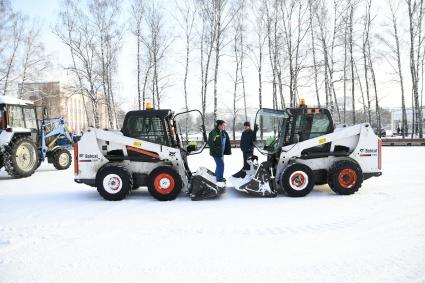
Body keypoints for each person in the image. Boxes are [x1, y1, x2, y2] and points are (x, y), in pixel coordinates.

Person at [208, 120, 231, 186]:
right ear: (219, 125)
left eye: (224, 125)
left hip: (221, 153)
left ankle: (217, 177)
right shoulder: (214, 133)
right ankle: (219, 180)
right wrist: (216, 151)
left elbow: (226, 142)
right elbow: (210, 143)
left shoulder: (222, 132)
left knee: (219, 165)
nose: (224, 126)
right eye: (223, 125)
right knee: (221, 165)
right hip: (216, 153)